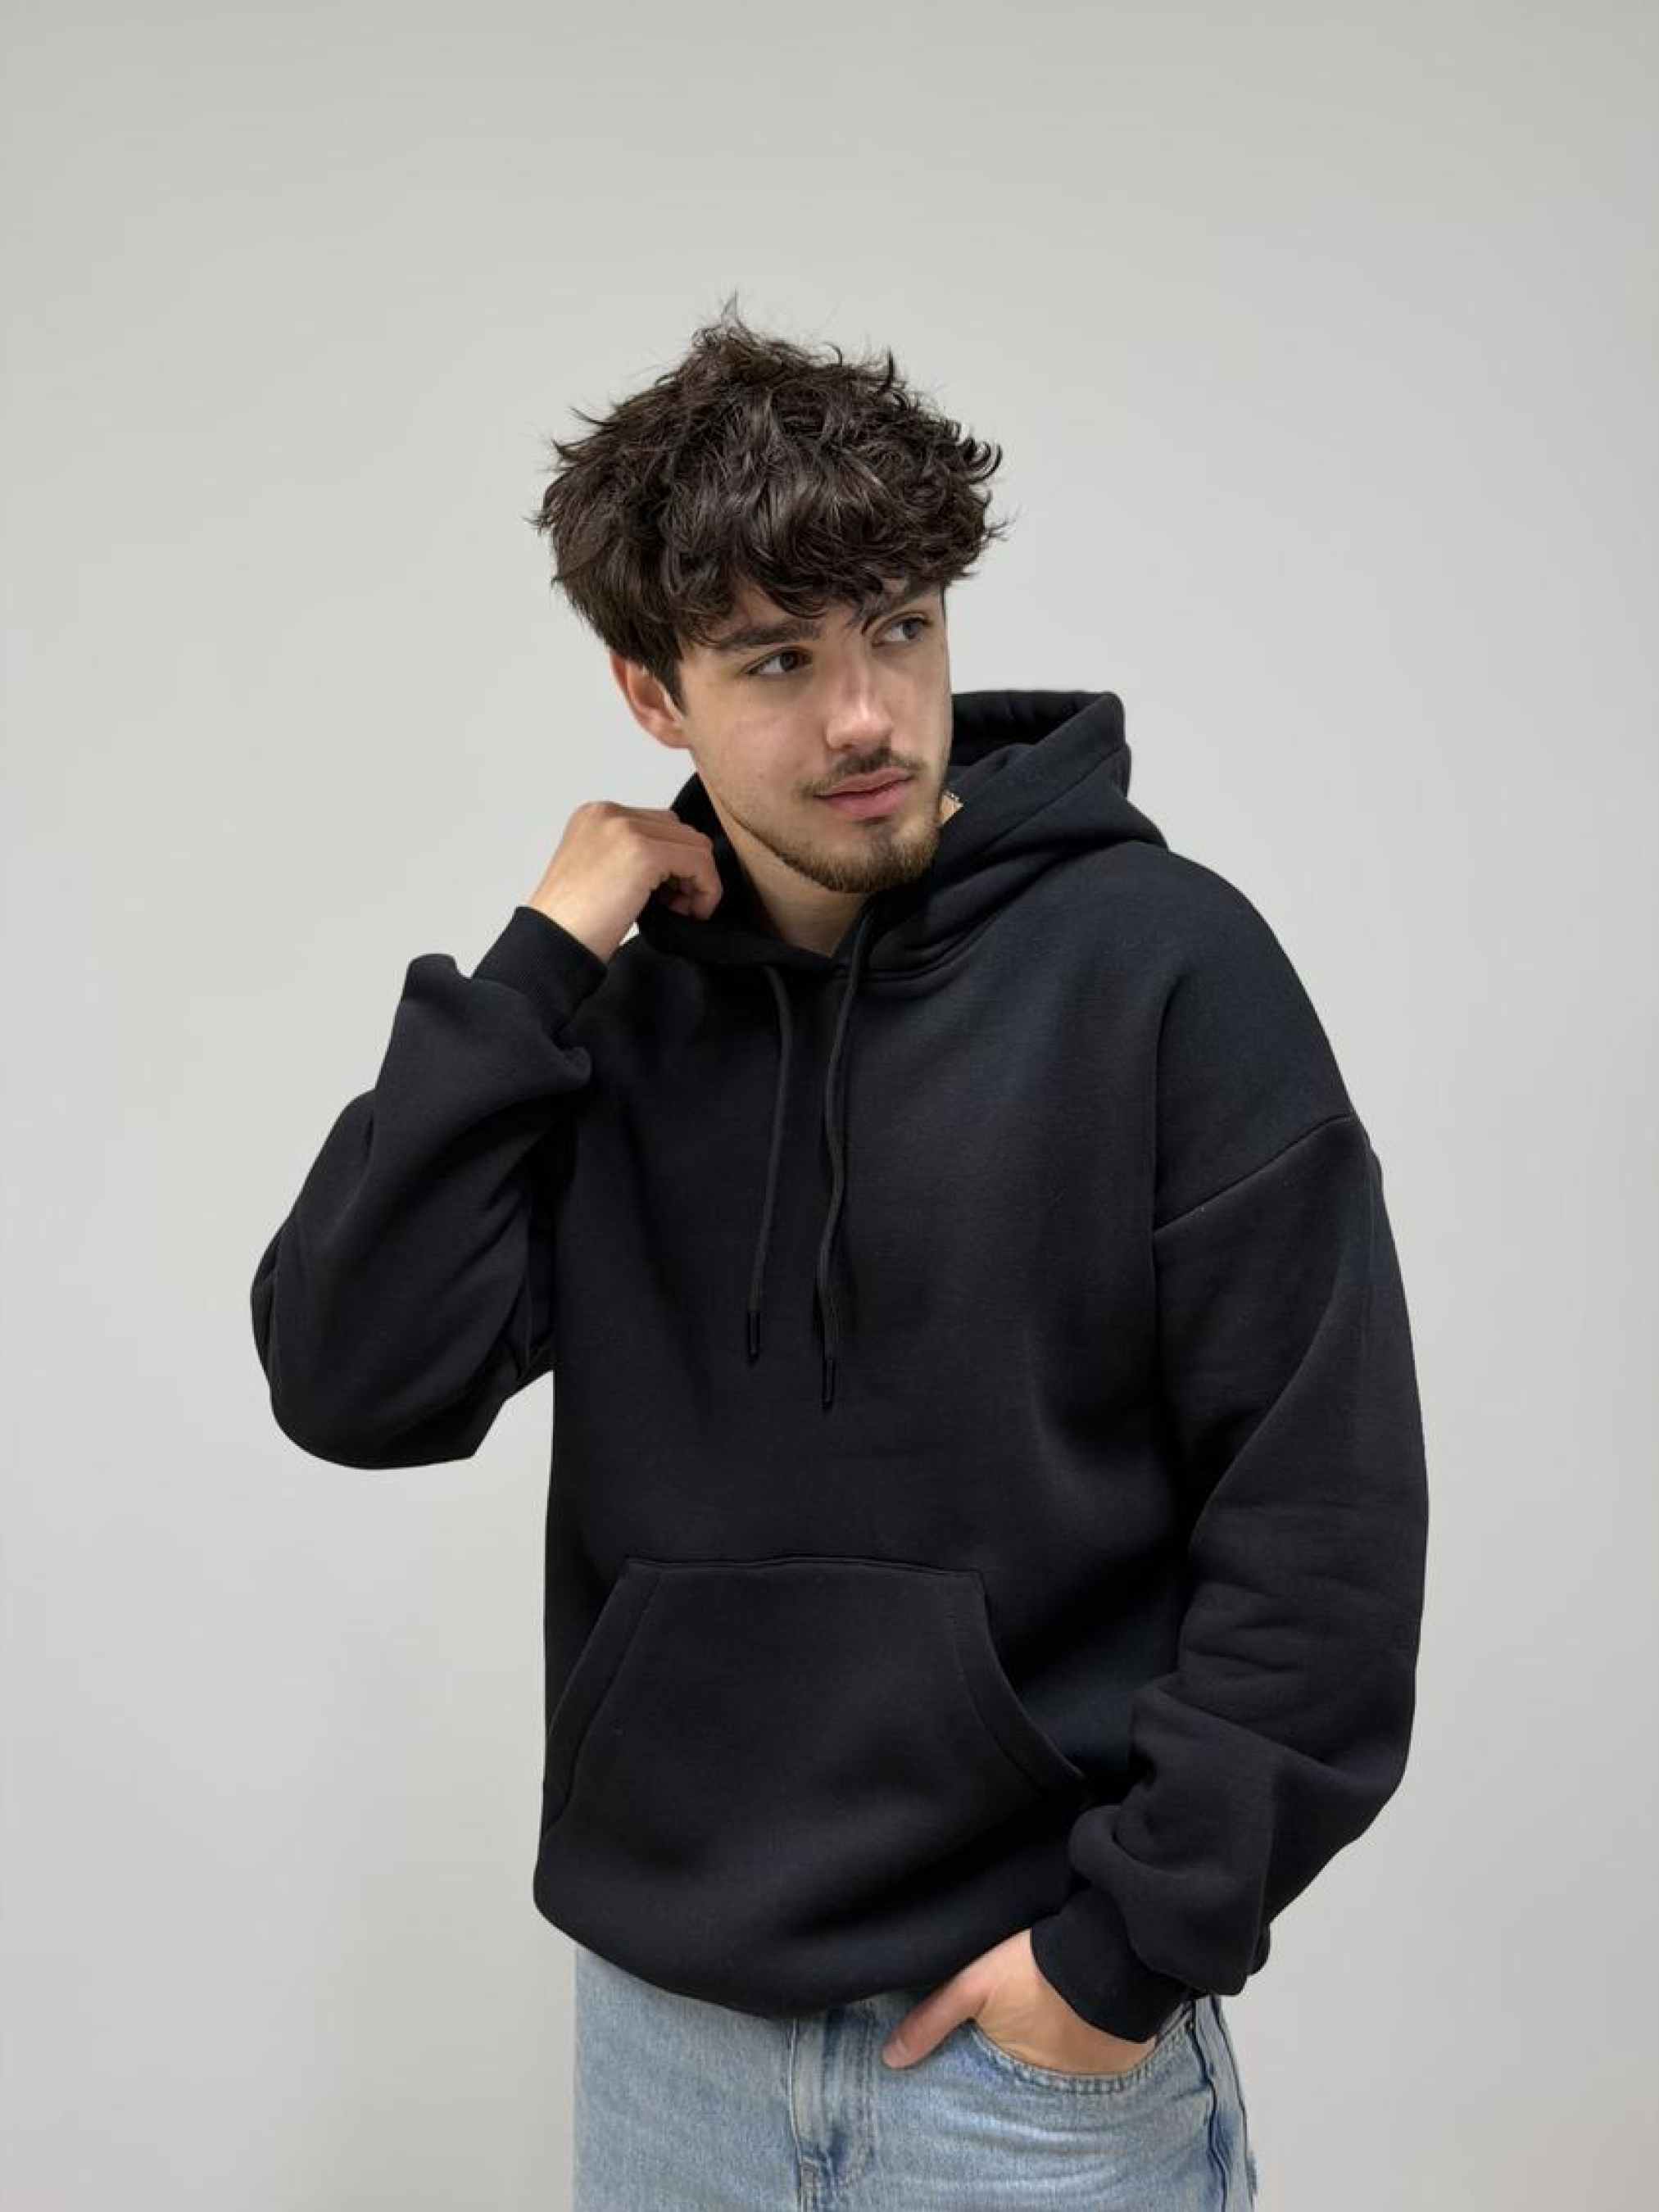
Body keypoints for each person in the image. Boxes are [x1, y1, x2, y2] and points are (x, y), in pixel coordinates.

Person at [250, 301, 1429, 2209]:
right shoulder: (607, 1022)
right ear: (650, 694)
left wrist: (1126, 1951)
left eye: (897, 628)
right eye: (777, 659)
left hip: (1023, 2079)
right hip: (663, 2051)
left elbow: (1323, 1516)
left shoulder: (1162, 971)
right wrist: (539, 960)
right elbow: (352, 1378)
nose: (865, 714)